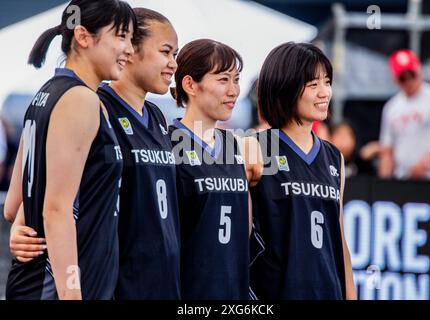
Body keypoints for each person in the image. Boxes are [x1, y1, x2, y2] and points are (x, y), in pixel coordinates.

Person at [8, 7, 180, 300]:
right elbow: (56, 209)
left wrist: (22, 227)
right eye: (121, 36)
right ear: (84, 36)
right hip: (62, 287)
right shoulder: (82, 100)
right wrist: (72, 292)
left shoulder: (50, 93)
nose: (127, 47)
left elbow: (16, 203)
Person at [245, 42, 356, 299]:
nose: (324, 92)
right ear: (285, 86)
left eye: (327, 82)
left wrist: (350, 294)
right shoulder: (255, 147)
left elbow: (338, 237)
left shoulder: (333, 155)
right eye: (313, 84)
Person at [97, 8, 180, 299]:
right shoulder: (97, 106)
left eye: (176, 55)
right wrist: (24, 223)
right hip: (119, 283)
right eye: (166, 52)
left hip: (164, 281)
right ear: (130, 50)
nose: (173, 64)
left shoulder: (157, 116)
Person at [169, 39, 250, 299]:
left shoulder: (238, 146)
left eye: (236, 80)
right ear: (190, 84)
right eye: (223, 80)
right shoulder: (165, 143)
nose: (234, 90)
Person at [378, 49, 430, 181]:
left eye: (411, 74)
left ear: (419, 70)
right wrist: (384, 183)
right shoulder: (391, 107)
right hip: (404, 179)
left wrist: (428, 161)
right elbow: (387, 150)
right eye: (402, 77)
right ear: (395, 79)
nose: (408, 81)